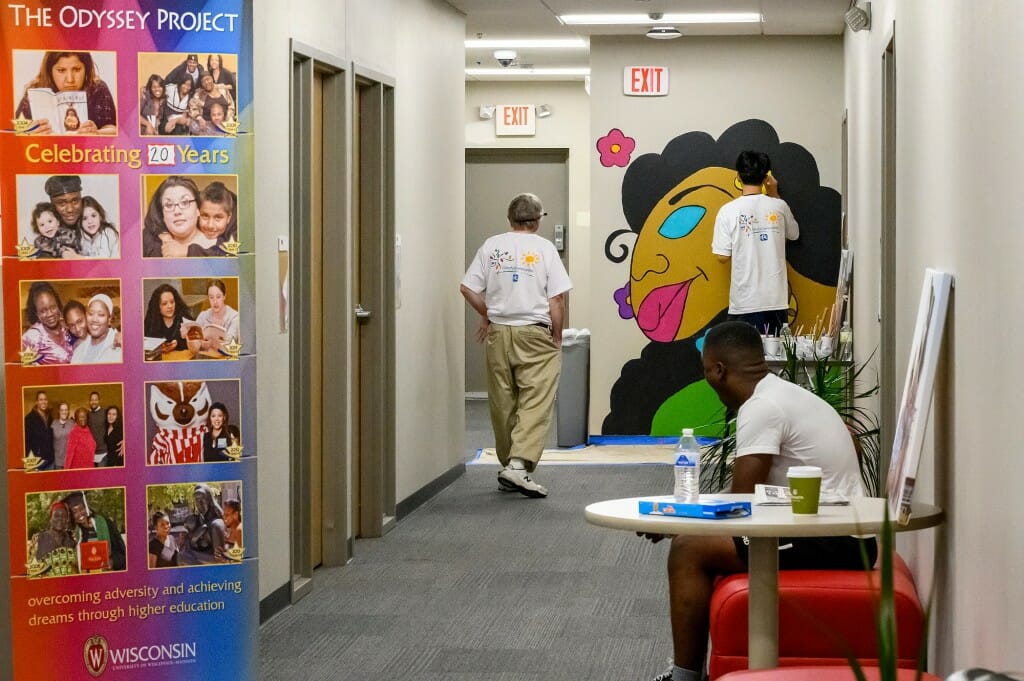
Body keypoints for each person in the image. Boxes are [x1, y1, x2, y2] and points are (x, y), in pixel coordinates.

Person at [647, 321, 873, 681]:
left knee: (688, 549)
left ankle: (684, 678)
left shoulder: (762, 406)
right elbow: (747, 491)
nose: (707, 379)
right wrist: (678, 515)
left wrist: (682, 524)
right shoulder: (783, 393)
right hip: (838, 529)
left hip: (836, 540)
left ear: (718, 371)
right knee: (689, 538)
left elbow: (742, 502)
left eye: (706, 370)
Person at [460, 192, 572, 498]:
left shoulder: (491, 245)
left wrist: (486, 314)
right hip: (534, 333)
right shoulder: (545, 248)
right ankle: (519, 466)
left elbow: (467, 287)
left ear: (510, 219)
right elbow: (557, 299)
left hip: (498, 332)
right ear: (537, 220)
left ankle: (508, 464)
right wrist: (558, 337)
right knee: (536, 398)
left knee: (502, 401)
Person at [711, 151, 799, 335]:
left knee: (742, 358)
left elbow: (722, 256)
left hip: (745, 300)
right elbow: (794, 234)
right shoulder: (779, 206)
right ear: (767, 176)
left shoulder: (728, 211)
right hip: (775, 299)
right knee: (774, 359)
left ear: (738, 176)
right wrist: (775, 193)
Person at [15, 51, 117, 135]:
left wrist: (97, 133)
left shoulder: (97, 88)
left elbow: (112, 128)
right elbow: (15, 131)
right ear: (50, 71)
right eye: (61, 70)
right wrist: (28, 132)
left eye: (76, 69)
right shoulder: (35, 91)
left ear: (86, 69)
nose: (70, 79)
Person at [142, 175, 213, 257]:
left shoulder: (219, 247)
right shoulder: (151, 245)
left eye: (185, 202)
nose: (177, 211)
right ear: (162, 215)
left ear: (198, 209)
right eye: (169, 205)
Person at [63, 491, 126, 571]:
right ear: (72, 516)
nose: (79, 514)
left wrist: (112, 561)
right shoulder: (76, 534)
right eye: (74, 512)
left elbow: (122, 554)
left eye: (81, 508)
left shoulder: (105, 524)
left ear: (86, 507)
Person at [20, 281, 75, 365]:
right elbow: (27, 372)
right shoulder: (31, 338)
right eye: (43, 311)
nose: (50, 314)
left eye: (53, 307)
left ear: (58, 305)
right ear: (36, 313)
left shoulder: (67, 327)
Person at [190, 279, 240, 353]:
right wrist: (200, 343)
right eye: (211, 297)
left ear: (224, 296)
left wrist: (214, 343)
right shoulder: (203, 315)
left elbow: (231, 345)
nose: (215, 302)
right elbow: (194, 343)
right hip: (207, 357)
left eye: (218, 297)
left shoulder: (234, 317)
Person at [70, 294, 121, 364]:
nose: (94, 319)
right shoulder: (79, 350)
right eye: (91, 313)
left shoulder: (120, 345)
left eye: (101, 315)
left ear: (109, 319)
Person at [144, 283, 195, 354]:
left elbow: (194, 342)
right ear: (157, 306)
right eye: (164, 303)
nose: (170, 306)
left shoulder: (185, 318)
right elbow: (146, 344)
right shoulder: (151, 321)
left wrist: (178, 343)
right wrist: (159, 348)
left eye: (172, 302)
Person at [32, 501, 78, 576]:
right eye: (56, 515)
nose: (60, 518)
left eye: (63, 516)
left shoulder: (72, 541)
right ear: (50, 518)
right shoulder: (39, 539)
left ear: (67, 520)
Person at [183, 484, 226, 564]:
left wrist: (189, 554)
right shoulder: (196, 521)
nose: (199, 503)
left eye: (202, 498)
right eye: (196, 500)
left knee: (182, 557)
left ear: (209, 499)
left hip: (211, 572)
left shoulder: (216, 525)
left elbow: (220, 560)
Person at [194, 181, 238, 254]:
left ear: (229, 218)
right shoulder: (192, 210)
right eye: (205, 216)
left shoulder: (239, 226)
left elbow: (230, 253)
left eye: (218, 217)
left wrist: (186, 251)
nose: (210, 225)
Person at [24, 390, 54, 471]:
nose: (43, 402)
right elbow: (26, 443)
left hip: (50, 460)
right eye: (41, 400)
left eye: (45, 399)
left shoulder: (50, 417)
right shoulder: (29, 419)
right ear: (36, 402)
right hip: (37, 462)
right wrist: (31, 465)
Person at [85, 391, 107, 467]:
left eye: (96, 399)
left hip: (103, 453)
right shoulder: (87, 414)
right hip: (91, 454)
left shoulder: (104, 413)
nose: (93, 402)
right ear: (89, 401)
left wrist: (124, 440)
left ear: (99, 401)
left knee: (101, 477)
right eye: (92, 400)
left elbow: (114, 426)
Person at [51, 401, 74, 469]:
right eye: (62, 410)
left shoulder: (72, 423)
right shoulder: (53, 424)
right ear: (59, 411)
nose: (64, 412)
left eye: (66, 410)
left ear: (68, 411)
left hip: (70, 460)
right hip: (58, 461)